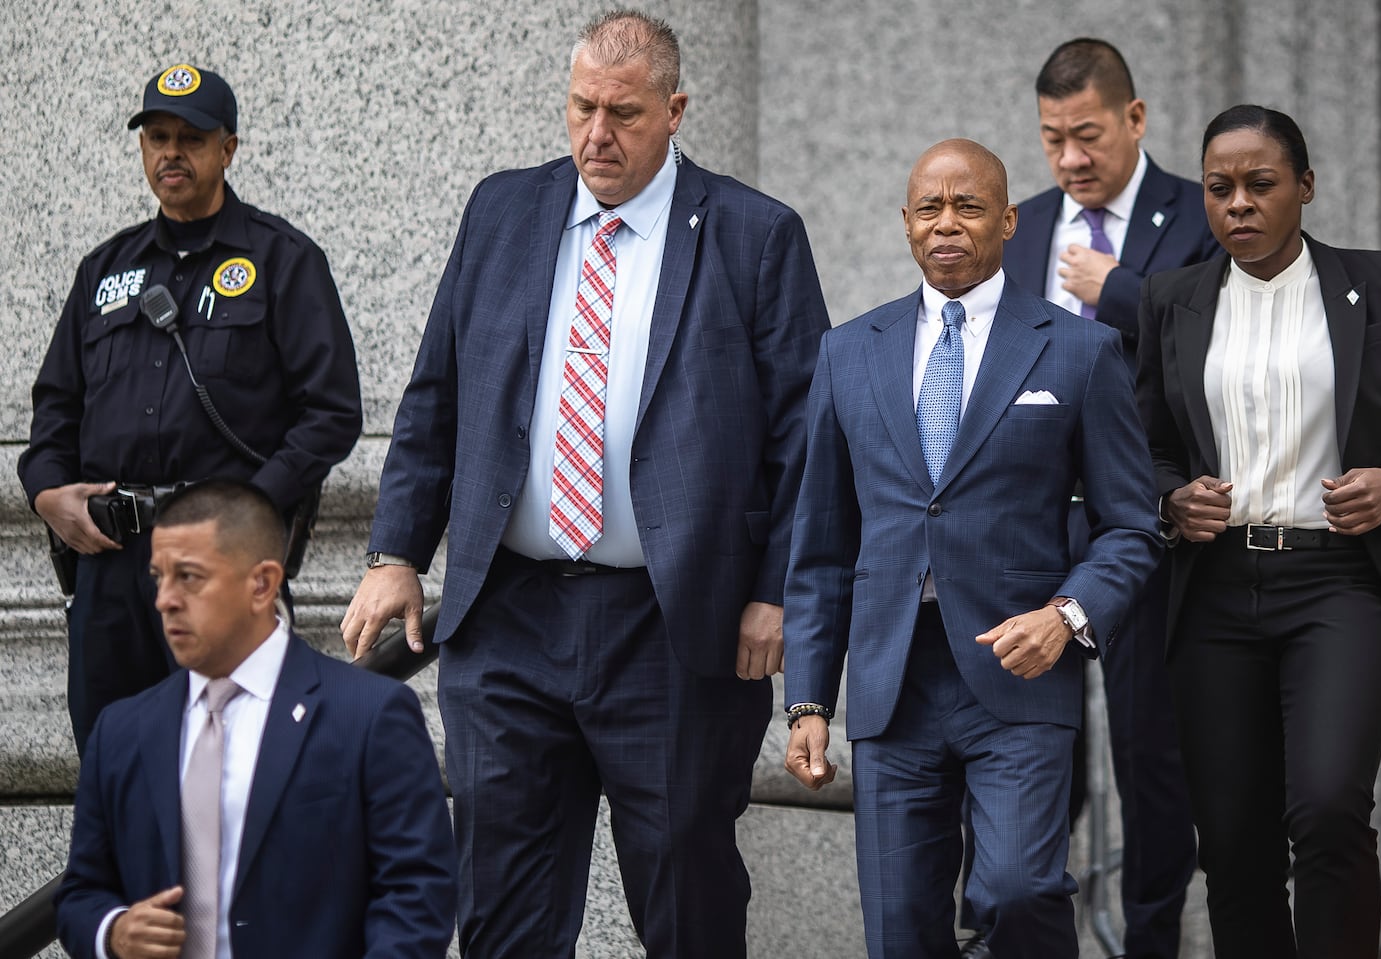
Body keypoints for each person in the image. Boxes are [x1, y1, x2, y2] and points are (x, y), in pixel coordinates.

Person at [340, 10, 828, 958]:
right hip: (510, 616)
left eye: (625, 113)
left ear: (676, 110)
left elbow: (805, 437)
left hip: (674, 624)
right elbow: (436, 391)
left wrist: (776, 591)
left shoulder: (754, 235)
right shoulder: (501, 211)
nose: (597, 135)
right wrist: (395, 550)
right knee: (502, 909)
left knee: (686, 897)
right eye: (581, 108)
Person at [783, 138, 1162, 959]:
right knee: (902, 927)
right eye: (929, 207)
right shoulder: (848, 352)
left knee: (1019, 891)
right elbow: (819, 547)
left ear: (1008, 220)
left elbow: (1132, 527)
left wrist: (1066, 615)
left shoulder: (1078, 350)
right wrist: (809, 702)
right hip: (893, 686)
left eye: (968, 206)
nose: (946, 223)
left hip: (1019, 677)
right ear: (907, 223)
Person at [1136, 104, 1381, 959]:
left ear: (1304, 187)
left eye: (1260, 184)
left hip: (1341, 582)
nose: (1238, 204)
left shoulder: (1379, 284)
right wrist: (1171, 500)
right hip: (1215, 592)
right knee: (1233, 842)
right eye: (1218, 189)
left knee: (1330, 806)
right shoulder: (1172, 299)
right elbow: (1146, 447)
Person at [17, 64, 363, 755]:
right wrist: (48, 494)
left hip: (225, 565)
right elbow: (54, 411)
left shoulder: (281, 261)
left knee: (240, 775)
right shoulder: (104, 272)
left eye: (191, 138)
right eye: (157, 137)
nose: (171, 152)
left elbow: (331, 412)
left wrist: (247, 512)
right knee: (117, 767)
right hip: (113, 569)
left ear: (227, 149)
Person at [1000, 37, 1217, 958]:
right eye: (1053, 140)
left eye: (1087, 135)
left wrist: (1123, 291)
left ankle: (1151, 940)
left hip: (1145, 527)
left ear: (1134, 118)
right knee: (1033, 747)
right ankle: (1029, 928)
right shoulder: (1028, 223)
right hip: (1036, 524)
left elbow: (1221, 335)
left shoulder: (1200, 213)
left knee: (1148, 755)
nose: (1071, 159)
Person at [54, 480, 457, 959]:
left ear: (262, 584)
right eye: (159, 577)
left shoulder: (369, 714)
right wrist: (113, 932)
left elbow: (418, 893)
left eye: (189, 577)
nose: (165, 600)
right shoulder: (122, 730)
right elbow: (80, 893)